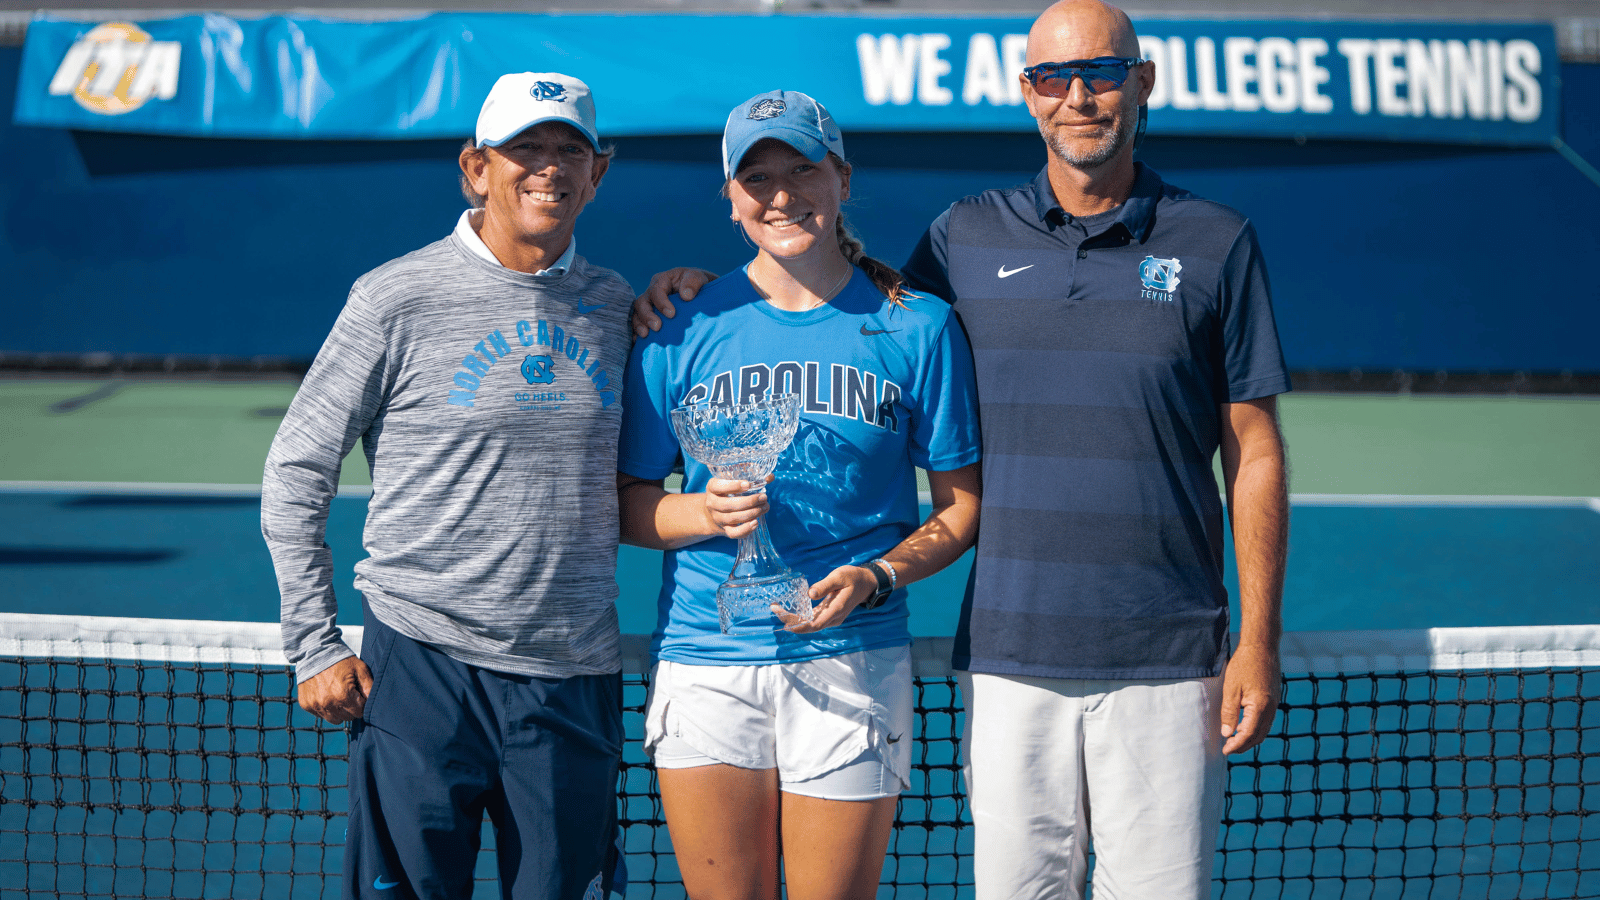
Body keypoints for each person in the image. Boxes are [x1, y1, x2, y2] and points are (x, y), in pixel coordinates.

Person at [632, 2, 1291, 896]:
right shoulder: (960, 240)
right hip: (998, 654)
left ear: (1140, 82)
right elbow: (839, 297)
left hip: (1165, 655)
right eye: (1055, 77)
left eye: (1100, 73)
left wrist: (1258, 640)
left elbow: (1253, 448)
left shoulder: (1214, 243)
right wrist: (698, 299)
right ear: (1028, 93)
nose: (1079, 95)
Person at [262, 72, 633, 900]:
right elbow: (296, 468)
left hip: (571, 675)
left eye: (569, 148)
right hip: (422, 667)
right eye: (524, 149)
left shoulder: (616, 306)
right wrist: (314, 644)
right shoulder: (395, 296)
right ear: (475, 168)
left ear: (597, 173)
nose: (549, 167)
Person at [615, 90, 982, 900]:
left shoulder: (917, 327)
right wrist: (699, 512)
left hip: (851, 661)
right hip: (708, 665)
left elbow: (960, 509)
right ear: (731, 199)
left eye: (801, 169)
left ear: (842, 179)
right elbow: (626, 503)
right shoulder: (676, 327)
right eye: (757, 177)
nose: (781, 193)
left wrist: (877, 576)